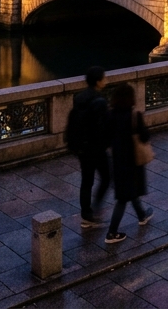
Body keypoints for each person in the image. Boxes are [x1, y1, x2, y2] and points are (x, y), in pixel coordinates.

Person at [104, 84, 153, 244]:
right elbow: (145, 137)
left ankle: (142, 215)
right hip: (133, 161)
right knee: (124, 197)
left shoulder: (110, 115)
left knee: (129, 192)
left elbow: (106, 138)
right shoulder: (134, 115)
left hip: (118, 161)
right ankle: (111, 233)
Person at [67, 66, 112, 230]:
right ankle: (95, 210)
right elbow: (104, 127)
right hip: (96, 148)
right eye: (104, 78)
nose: (106, 81)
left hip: (81, 148)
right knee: (107, 177)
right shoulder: (99, 101)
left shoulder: (80, 98)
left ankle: (86, 214)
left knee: (87, 181)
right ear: (98, 81)